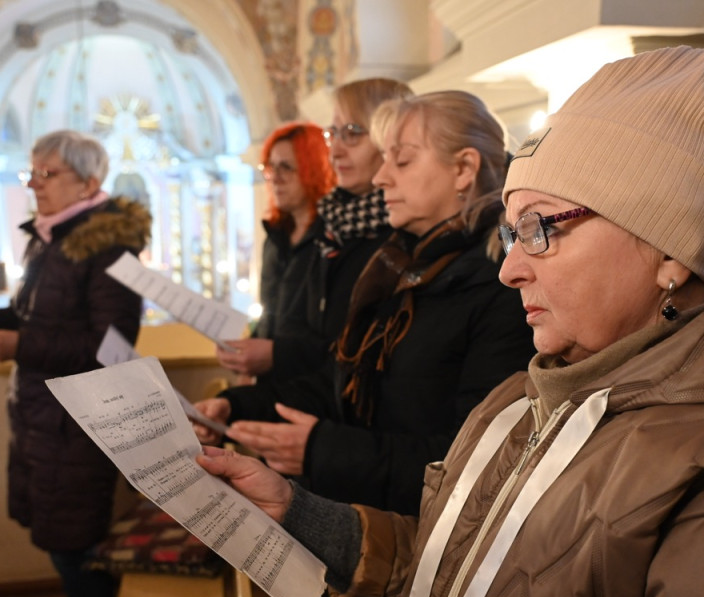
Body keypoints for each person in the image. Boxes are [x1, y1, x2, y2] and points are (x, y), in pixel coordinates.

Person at [196, 46, 704, 597]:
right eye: (509, 232)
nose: (509, 267)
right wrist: (301, 512)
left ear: (670, 249)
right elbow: (460, 571)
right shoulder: (525, 392)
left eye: (539, 228)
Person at [196, 90, 534, 517]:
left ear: (463, 168)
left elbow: (477, 460)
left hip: (424, 538)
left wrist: (323, 450)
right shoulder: (400, 265)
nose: (381, 178)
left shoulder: (502, 283)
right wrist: (235, 407)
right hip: (369, 518)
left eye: (403, 160)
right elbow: (343, 382)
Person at [0, 130, 150, 597]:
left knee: (76, 544)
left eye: (49, 174)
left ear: (89, 182)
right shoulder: (50, 238)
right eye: (31, 173)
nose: (35, 184)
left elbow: (110, 347)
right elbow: (35, 318)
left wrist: (20, 346)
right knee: (64, 543)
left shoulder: (108, 246)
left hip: (80, 420)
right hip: (43, 415)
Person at [216, 78, 412, 384]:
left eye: (352, 133)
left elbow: (362, 354)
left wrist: (277, 358)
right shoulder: (336, 226)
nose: (335, 151)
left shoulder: (400, 233)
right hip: (300, 393)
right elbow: (297, 324)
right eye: (332, 133)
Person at [231, 122, 335, 385]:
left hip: (312, 386)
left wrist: (276, 354)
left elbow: (328, 337)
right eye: (270, 167)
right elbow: (270, 314)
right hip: (270, 384)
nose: (275, 177)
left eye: (286, 167)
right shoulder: (276, 238)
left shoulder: (332, 238)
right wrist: (246, 355)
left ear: (315, 168)